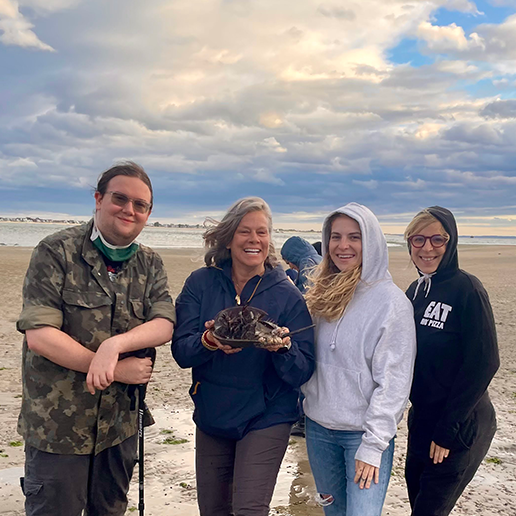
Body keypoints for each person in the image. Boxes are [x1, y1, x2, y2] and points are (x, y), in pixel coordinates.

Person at [16, 161, 176, 516]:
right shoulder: (56, 251)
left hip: (118, 430)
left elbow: (164, 322)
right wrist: (113, 369)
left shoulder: (150, 263)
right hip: (58, 429)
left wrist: (113, 346)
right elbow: (40, 335)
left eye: (141, 205)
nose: (129, 210)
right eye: (120, 198)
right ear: (99, 199)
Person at [172, 197, 315, 516]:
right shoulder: (201, 283)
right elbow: (181, 351)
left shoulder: (287, 294)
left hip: (267, 413)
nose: (254, 240)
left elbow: (303, 370)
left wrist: (283, 349)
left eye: (262, 232)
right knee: (213, 510)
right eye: (245, 231)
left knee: (249, 508)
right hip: (212, 411)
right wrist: (208, 341)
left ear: (270, 239)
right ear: (228, 237)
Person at [302, 202, 416, 516]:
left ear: (372, 242)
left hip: (363, 436)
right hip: (318, 429)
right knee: (333, 513)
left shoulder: (392, 303)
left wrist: (374, 444)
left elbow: (394, 383)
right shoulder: (321, 294)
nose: (343, 245)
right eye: (335, 237)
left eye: (355, 236)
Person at [404, 206, 499, 516]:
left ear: (451, 241)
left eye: (437, 239)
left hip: (460, 423)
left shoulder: (467, 290)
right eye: (418, 240)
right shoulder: (415, 293)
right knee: (416, 497)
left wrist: (447, 430)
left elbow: (484, 363)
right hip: (422, 420)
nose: (427, 248)